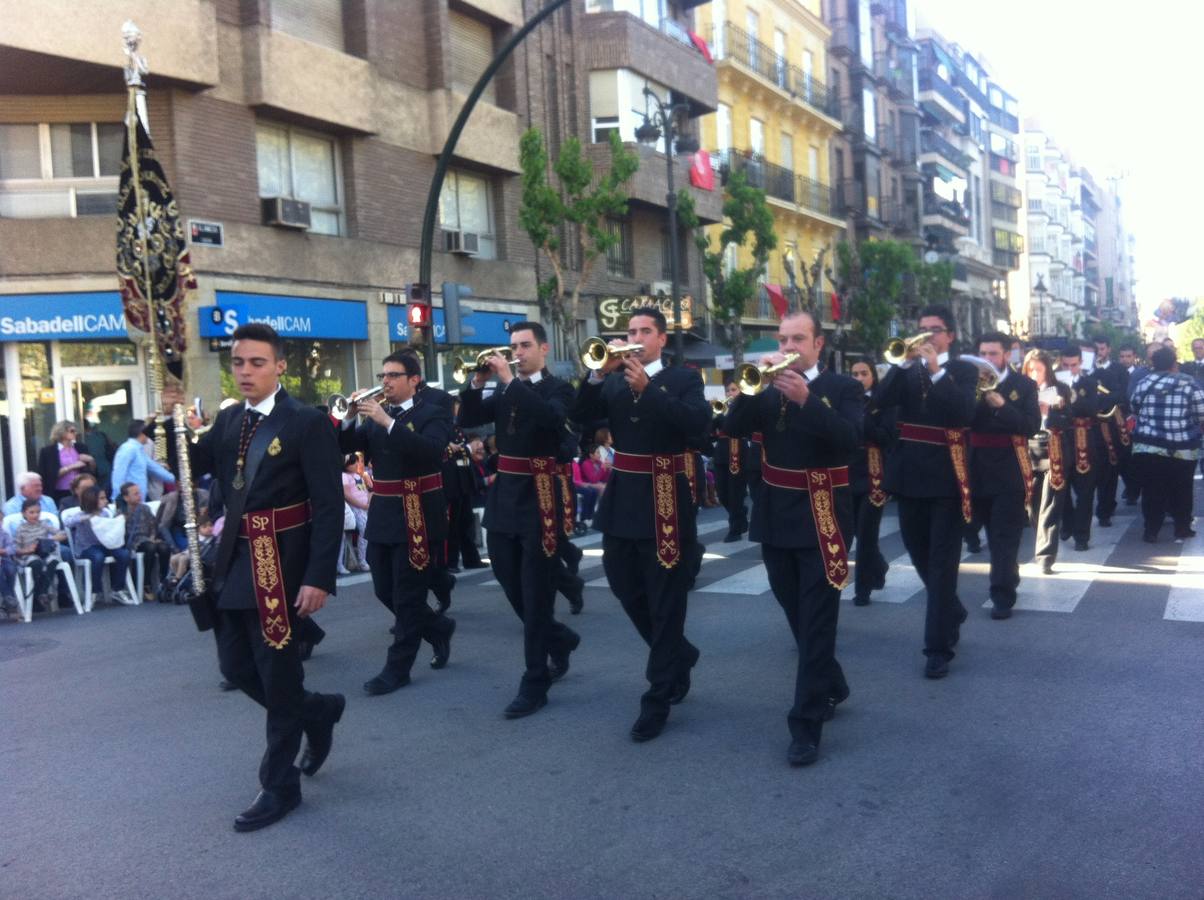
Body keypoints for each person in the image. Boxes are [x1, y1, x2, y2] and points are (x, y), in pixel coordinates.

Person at [188, 322, 345, 833]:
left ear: (279, 366)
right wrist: (173, 426)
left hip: (281, 570)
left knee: (278, 680)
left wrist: (319, 576)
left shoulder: (306, 422)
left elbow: (329, 504)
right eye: (238, 363)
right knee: (236, 669)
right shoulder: (231, 419)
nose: (246, 371)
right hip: (234, 564)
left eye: (257, 362)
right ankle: (317, 711)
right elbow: (191, 464)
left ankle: (280, 788)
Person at [725, 311, 862, 766]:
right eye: (783, 339)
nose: (789, 347)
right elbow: (732, 428)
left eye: (798, 339)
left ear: (818, 344)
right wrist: (750, 387)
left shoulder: (843, 388)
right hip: (775, 511)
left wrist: (808, 399)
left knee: (818, 618)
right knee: (795, 610)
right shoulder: (767, 387)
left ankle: (805, 725)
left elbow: (851, 439)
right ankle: (832, 682)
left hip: (823, 511)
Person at [570, 307, 710, 741]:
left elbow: (699, 428)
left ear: (661, 340)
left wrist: (650, 390)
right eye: (630, 331)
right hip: (624, 494)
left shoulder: (683, 379)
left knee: (666, 600)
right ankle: (678, 654)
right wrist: (596, 374)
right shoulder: (611, 380)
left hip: (666, 494)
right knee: (622, 584)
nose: (635, 338)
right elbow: (579, 416)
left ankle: (658, 695)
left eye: (644, 332)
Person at [458, 321, 582, 718]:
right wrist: (478, 383)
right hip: (504, 494)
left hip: (540, 494)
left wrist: (510, 380)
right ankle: (558, 637)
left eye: (525, 345)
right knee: (512, 585)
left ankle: (535, 681)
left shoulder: (559, 388)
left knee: (536, 589)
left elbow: (549, 418)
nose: (518, 351)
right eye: (513, 346)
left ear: (544, 349)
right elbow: (470, 417)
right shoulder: (503, 388)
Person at [339, 351, 457, 696]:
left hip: (417, 510)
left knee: (407, 595)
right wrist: (347, 418)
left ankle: (398, 668)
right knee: (383, 589)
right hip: (384, 511)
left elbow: (431, 451)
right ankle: (436, 628)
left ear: (414, 380)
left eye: (393, 375)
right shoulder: (379, 414)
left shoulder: (433, 412)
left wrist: (387, 422)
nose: (385, 382)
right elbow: (347, 446)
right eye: (383, 375)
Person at [872, 305, 978, 679]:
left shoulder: (964, 370)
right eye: (922, 329)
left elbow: (964, 412)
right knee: (917, 552)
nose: (927, 336)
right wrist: (901, 366)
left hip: (947, 475)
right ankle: (950, 607)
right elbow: (879, 401)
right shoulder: (907, 368)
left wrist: (935, 371)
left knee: (941, 562)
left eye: (934, 330)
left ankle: (937, 648)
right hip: (908, 474)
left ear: (949, 335)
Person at [969, 332, 1040, 620]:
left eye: (994, 354)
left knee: (1003, 535)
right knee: (979, 528)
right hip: (974, 466)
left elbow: (1031, 426)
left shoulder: (1023, 385)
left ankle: (1001, 595)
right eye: (983, 354)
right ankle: (1009, 572)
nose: (988, 359)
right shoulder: (968, 384)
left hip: (1009, 467)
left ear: (1007, 355)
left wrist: (1002, 406)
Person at [1130, 347, 1204, 542]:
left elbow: (1134, 406)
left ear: (1153, 363)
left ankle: (1151, 530)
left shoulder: (1144, 382)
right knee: (1182, 488)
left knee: (1152, 488)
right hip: (1182, 447)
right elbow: (1200, 413)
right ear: (1174, 363)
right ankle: (1182, 527)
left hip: (1149, 446)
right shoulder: (1189, 383)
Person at [1024, 350, 1073, 574]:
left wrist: (1049, 413)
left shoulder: (1060, 389)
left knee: (1051, 503)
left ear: (1047, 370)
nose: (1035, 374)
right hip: (1030, 450)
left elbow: (1068, 420)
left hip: (1054, 448)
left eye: (1039, 370)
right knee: (1031, 504)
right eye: (1030, 369)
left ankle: (1045, 556)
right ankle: (1041, 535)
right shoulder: (1022, 389)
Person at [848, 359, 893, 606]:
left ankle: (862, 588)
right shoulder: (843, 399)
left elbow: (887, 436)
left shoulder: (882, 402)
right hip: (847, 470)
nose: (858, 377)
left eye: (864, 373)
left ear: (873, 377)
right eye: (854, 373)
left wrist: (863, 419)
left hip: (874, 472)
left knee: (866, 534)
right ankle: (879, 566)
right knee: (855, 530)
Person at [1057, 345, 1100, 552]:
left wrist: (1073, 396)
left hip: (1083, 439)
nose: (1069, 368)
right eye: (1065, 364)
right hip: (1060, 440)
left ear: (1081, 363)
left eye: (1073, 365)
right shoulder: (1052, 382)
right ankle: (1068, 521)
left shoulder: (1089, 383)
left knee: (1085, 491)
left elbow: (1093, 409)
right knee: (1060, 487)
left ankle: (1082, 536)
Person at [71, 485, 133, 606]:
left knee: (124, 554)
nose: (105, 501)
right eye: (102, 498)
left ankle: (117, 589)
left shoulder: (106, 513)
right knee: (97, 557)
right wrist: (85, 518)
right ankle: (95, 591)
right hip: (87, 548)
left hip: (106, 545)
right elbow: (68, 522)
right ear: (92, 500)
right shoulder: (81, 514)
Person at [1090, 336, 1129, 528]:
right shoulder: (1082, 371)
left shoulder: (1118, 370)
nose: (1099, 352)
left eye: (1102, 348)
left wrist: (1098, 403)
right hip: (1085, 426)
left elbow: (1121, 394)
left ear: (1109, 349)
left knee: (1109, 466)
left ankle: (1105, 509)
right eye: (1096, 349)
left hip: (1109, 423)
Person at [120, 482, 173, 601]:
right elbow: (122, 533)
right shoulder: (121, 512)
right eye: (135, 494)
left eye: (139, 493)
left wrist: (153, 537)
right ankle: (146, 583)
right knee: (150, 548)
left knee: (164, 547)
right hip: (134, 542)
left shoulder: (145, 508)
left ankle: (164, 580)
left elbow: (154, 525)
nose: (139, 495)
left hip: (149, 538)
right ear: (126, 497)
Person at [711, 381, 750, 543]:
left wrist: (728, 412)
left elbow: (735, 426)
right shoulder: (724, 409)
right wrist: (713, 412)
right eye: (728, 390)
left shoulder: (745, 407)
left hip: (737, 452)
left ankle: (734, 530)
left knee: (735, 493)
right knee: (722, 493)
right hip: (721, 454)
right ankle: (740, 514)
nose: (730, 393)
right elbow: (711, 428)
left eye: (734, 390)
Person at [13, 497, 67, 612]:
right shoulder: (21, 529)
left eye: (37, 512)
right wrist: (27, 549)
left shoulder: (44, 525)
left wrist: (52, 538)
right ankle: (40, 594)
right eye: (31, 512)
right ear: (24, 513)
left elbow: (62, 534)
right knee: (36, 563)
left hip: (44, 553)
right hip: (29, 555)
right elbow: (16, 549)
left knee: (53, 561)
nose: (35, 515)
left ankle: (41, 592)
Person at [111, 419, 176, 500]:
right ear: (143, 433)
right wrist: (117, 499)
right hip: (129, 501)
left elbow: (156, 469)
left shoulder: (139, 450)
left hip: (139, 499)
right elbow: (118, 474)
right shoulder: (127, 449)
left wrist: (177, 479)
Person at [37, 421, 96, 504]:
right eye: (72, 431)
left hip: (81, 491)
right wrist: (72, 466)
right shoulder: (48, 451)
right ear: (62, 432)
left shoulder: (81, 447)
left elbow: (92, 471)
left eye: (75, 431)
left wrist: (91, 460)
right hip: (59, 492)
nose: (75, 433)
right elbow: (48, 475)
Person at [340, 454, 371, 573]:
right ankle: (362, 560)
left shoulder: (358, 475)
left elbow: (365, 490)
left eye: (356, 462)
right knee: (364, 530)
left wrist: (368, 501)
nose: (356, 464)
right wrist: (362, 505)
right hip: (355, 508)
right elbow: (347, 495)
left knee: (367, 532)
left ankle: (365, 559)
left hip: (365, 507)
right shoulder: (344, 476)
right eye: (353, 462)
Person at [573, 444, 609, 525]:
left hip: (593, 483)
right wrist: (603, 469)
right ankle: (591, 515)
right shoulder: (586, 464)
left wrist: (607, 469)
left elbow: (604, 479)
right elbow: (593, 479)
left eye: (599, 453)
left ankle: (597, 513)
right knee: (598, 489)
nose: (599, 455)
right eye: (597, 453)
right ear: (591, 455)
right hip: (588, 483)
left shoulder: (599, 463)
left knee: (606, 486)